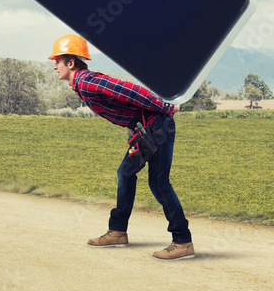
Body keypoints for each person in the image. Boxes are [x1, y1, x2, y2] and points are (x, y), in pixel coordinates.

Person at [49, 34, 194, 261]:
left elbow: (129, 91)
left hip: (157, 125)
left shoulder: (87, 81)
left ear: (70, 63)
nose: (54, 66)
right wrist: (134, 127)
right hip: (145, 129)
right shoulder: (81, 84)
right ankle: (117, 232)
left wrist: (165, 107)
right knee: (125, 174)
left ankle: (183, 241)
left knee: (158, 182)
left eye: (57, 61)